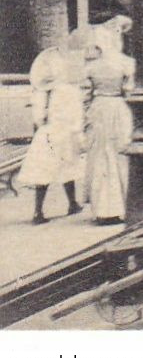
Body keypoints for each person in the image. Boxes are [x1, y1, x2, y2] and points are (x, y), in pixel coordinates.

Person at [19, 44, 86, 224]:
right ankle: (72, 203)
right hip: (65, 132)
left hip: (47, 133)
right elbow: (76, 115)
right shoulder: (69, 89)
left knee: (44, 170)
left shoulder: (42, 92)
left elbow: (38, 117)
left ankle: (38, 211)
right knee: (67, 166)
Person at [82, 17, 135, 224]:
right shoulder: (127, 64)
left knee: (100, 155)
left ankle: (103, 208)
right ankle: (122, 205)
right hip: (118, 108)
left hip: (99, 108)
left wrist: (85, 116)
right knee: (119, 153)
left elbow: (86, 95)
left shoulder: (92, 67)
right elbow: (129, 92)